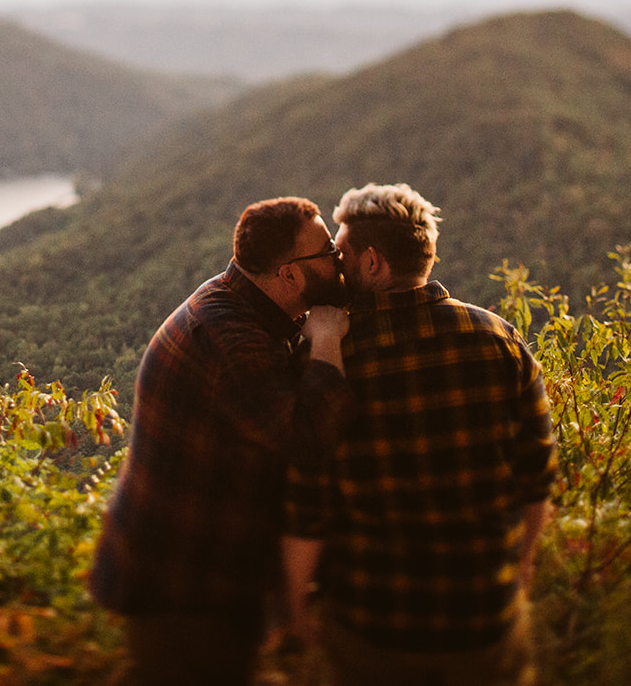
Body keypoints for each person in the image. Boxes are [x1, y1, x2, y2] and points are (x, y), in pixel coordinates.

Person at [283, 183, 557, 686]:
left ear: (371, 264)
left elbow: (307, 500)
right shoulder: (500, 340)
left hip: (372, 628)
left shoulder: (325, 362)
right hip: (482, 623)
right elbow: (536, 481)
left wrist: (297, 603)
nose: (334, 268)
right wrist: (522, 568)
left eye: (340, 255)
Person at [89, 196, 355, 686]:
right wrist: (326, 339)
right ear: (289, 275)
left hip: (176, 566)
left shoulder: (237, 309)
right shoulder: (231, 340)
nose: (339, 259)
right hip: (185, 586)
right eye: (328, 252)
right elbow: (310, 438)